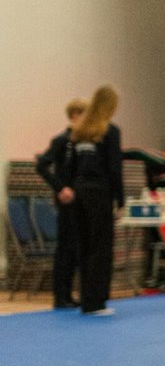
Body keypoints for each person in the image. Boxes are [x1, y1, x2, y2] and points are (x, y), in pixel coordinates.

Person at [58, 86, 123, 316]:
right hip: (99, 193)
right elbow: (114, 168)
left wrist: (68, 187)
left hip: (79, 192)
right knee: (101, 247)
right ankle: (97, 302)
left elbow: (70, 166)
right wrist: (120, 200)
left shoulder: (79, 131)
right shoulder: (110, 131)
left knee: (84, 246)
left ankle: (87, 300)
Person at [35, 97, 88, 309]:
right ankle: (60, 295)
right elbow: (42, 166)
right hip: (67, 201)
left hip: (81, 200)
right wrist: (60, 188)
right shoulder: (61, 141)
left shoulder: (84, 144)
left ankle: (69, 293)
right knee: (65, 249)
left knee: (76, 250)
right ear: (75, 116)